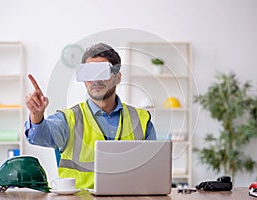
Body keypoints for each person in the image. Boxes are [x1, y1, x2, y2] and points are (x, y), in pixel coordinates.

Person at [24, 43, 157, 189]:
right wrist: (36, 116)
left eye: (102, 72)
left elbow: (154, 169)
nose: (95, 80)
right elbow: (38, 136)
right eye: (89, 73)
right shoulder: (68, 119)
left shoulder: (142, 120)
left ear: (117, 78)